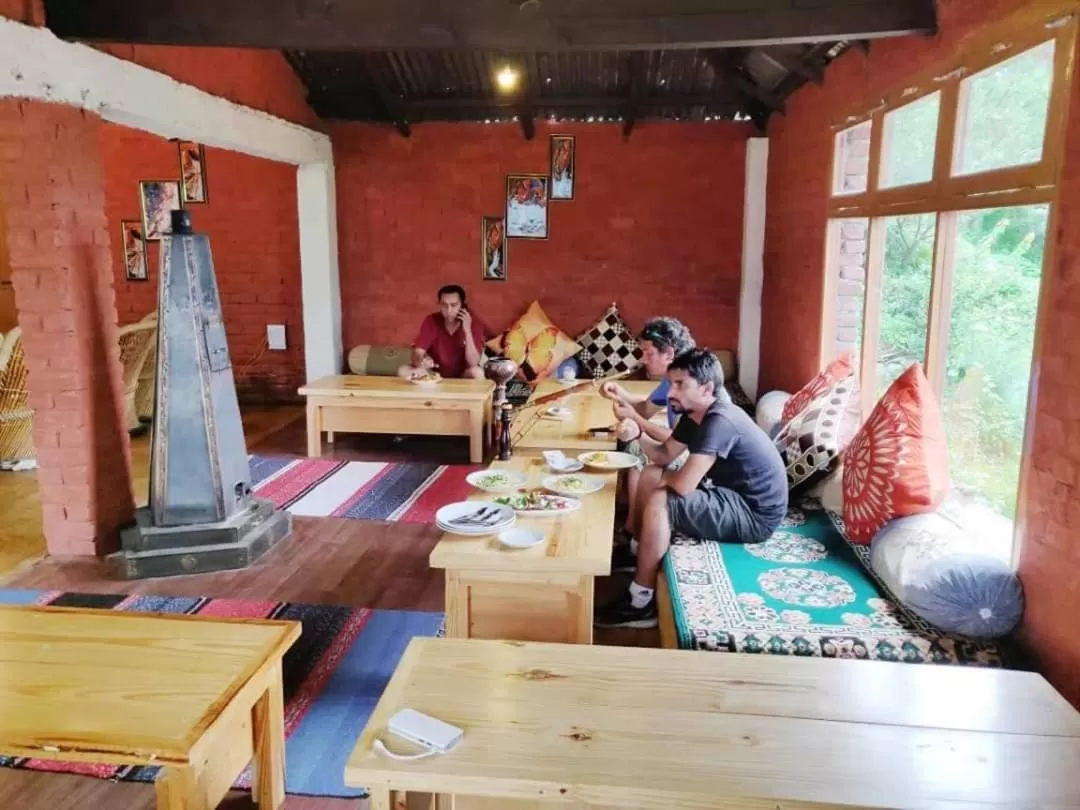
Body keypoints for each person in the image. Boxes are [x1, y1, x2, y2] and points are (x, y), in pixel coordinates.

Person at [595, 348, 789, 629]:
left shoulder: (719, 420)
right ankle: (638, 551)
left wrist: (664, 481)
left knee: (662, 499)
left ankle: (641, 601)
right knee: (651, 473)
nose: (670, 392)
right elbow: (663, 456)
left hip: (754, 514)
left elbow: (684, 486)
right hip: (732, 496)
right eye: (671, 383)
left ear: (707, 387)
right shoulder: (693, 414)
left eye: (680, 384)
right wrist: (638, 434)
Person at [597, 317, 694, 572]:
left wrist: (636, 421)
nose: (643, 359)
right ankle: (630, 529)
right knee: (632, 444)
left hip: (698, 459)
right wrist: (620, 393)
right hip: (680, 446)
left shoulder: (690, 384)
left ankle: (631, 533)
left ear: (669, 353)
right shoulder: (671, 379)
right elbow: (646, 410)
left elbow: (679, 442)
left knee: (639, 449)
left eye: (648, 353)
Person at [398, 284, 486, 380]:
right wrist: (422, 361)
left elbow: (473, 362)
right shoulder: (431, 320)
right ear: (439, 304)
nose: (449, 310)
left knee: (477, 372)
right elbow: (418, 352)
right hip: (434, 374)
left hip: (463, 375)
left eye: (454, 305)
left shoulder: (474, 323)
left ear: (462, 305)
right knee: (403, 370)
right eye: (444, 305)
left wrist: (467, 330)